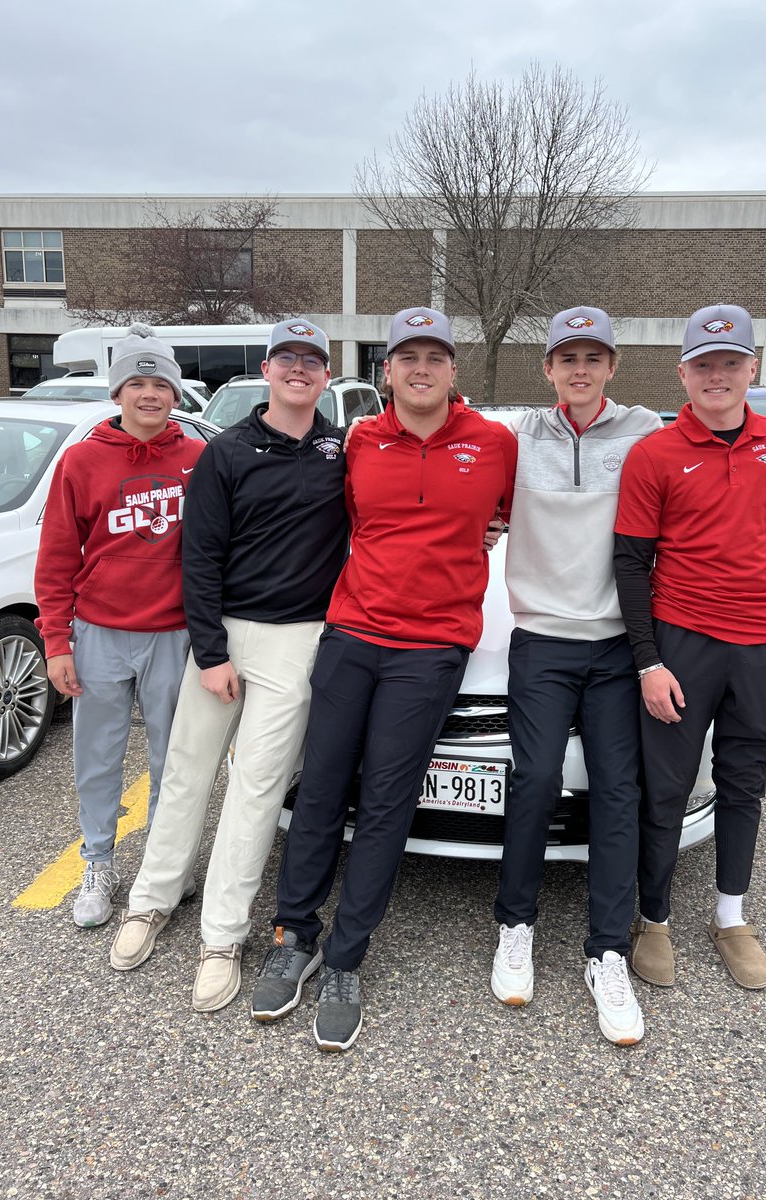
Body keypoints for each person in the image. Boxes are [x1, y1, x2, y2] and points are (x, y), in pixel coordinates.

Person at [488, 306, 766, 1046]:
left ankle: (611, 948)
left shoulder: (673, 436)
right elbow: (466, 472)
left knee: (635, 789)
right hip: (556, 638)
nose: (579, 370)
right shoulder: (527, 439)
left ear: (614, 366)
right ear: (546, 369)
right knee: (540, 779)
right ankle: (527, 925)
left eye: (593, 358)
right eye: (565, 358)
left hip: (648, 644)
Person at [251, 307, 517, 1052]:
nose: (421, 369)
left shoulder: (495, 444)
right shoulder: (360, 440)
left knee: (387, 805)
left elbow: (523, 515)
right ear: (387, 370)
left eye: (436, 356)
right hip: (352, 635)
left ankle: (344, 959)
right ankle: (293, 936)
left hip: (431, 650)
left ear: (453, 371)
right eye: (408, 357)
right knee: (321, 791)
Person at [109, 320, 350, 1014]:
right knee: (186, 774)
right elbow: (200, 557)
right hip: (228, 636)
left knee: (256, 790)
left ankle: (222, 937)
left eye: (311, 361)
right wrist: (211, 652)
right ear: (267, 371)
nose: (298, 370)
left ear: (324, 376)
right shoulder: (228, 452)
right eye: (286, 360)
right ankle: (151, 902)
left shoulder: (344, 450)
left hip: (299, 640)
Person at [613, 303, 766, 992]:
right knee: (665, 788)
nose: (718, 376)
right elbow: (632, 563)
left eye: (731, 364)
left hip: (763, 644)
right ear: (684, 373)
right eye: (705, 365)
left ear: (753, 368)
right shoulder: (656, 453)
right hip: (683, 639)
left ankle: (731, 917)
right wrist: (648, 658)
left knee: (744, 783)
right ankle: (656, 917)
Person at [34, 324, 204, 928]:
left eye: (160, 382)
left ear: (176, 394)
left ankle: (164, 863)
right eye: (137, 382)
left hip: (174, 634)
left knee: (173, 759)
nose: (149, 393)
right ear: (118, 393)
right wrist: (57, 641)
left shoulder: (198, 460)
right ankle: (99, 862)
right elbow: (56, 557)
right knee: (97, 756)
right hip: (99, 631)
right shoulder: (80, 462)